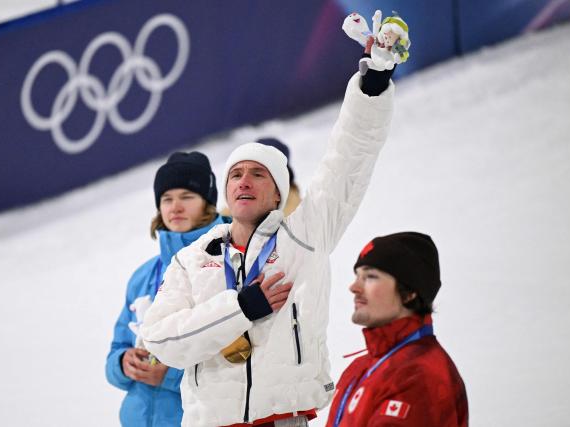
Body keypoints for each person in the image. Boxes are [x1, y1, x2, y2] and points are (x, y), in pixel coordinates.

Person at [140, 40, 397, 427]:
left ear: (278, 193)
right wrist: (240, 309)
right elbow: (160, 339)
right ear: (226, 191)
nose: (245, 181)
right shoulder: (193, 258)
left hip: (284, 419)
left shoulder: (304, 238)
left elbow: (348, 161)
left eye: (258, 174)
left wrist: (372, 86)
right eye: (236, 175)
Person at [105, 151, 230, 427]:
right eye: (166, 198)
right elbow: (117, 346)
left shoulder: (228, 263)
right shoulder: (143, 276)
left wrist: (170, 377)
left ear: (208, 204)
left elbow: (236, 355)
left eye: (187, 197)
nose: (175, 207)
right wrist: (122, 364)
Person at [325, 232, 468, 427]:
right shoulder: (361, 367)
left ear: (409, 292)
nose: (354, 287)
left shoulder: (419, 375)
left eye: (370, 277)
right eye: (357, 276)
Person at [221, 137, 301, 217]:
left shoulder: (298, 215)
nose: (243, 183)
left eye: (257, 175)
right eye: (237, 175)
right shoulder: (226, 216)